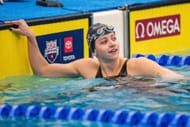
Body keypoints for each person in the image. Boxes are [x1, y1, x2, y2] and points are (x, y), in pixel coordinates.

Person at [5, 19, 189, 81]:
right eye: (104, 41)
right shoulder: (87, 68)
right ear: (94, 51)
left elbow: (176, 80)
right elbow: (43, 71)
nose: (112, 44)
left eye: (114, 39)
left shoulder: (138, 64)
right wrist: (31, 37)